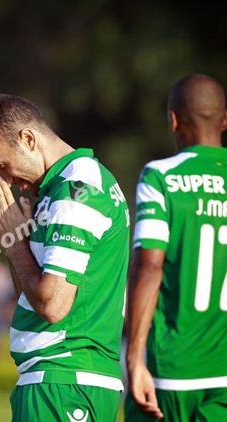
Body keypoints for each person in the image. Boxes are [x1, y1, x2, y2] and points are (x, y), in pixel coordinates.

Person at [0, 94, 129, 421]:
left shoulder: (76, 190)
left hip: (65, 381)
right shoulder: (59, 191)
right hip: (62, 379)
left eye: (0, 165)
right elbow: (31, 296)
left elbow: (52, 305)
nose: (6, 180)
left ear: (28, 139)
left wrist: (13, 243)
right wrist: (18, 242)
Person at [125, 74, 227, 421]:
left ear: (173, 120)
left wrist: (134, 358)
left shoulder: (161, 177)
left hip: (170, 372)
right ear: (224, 120)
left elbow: (149, 266)